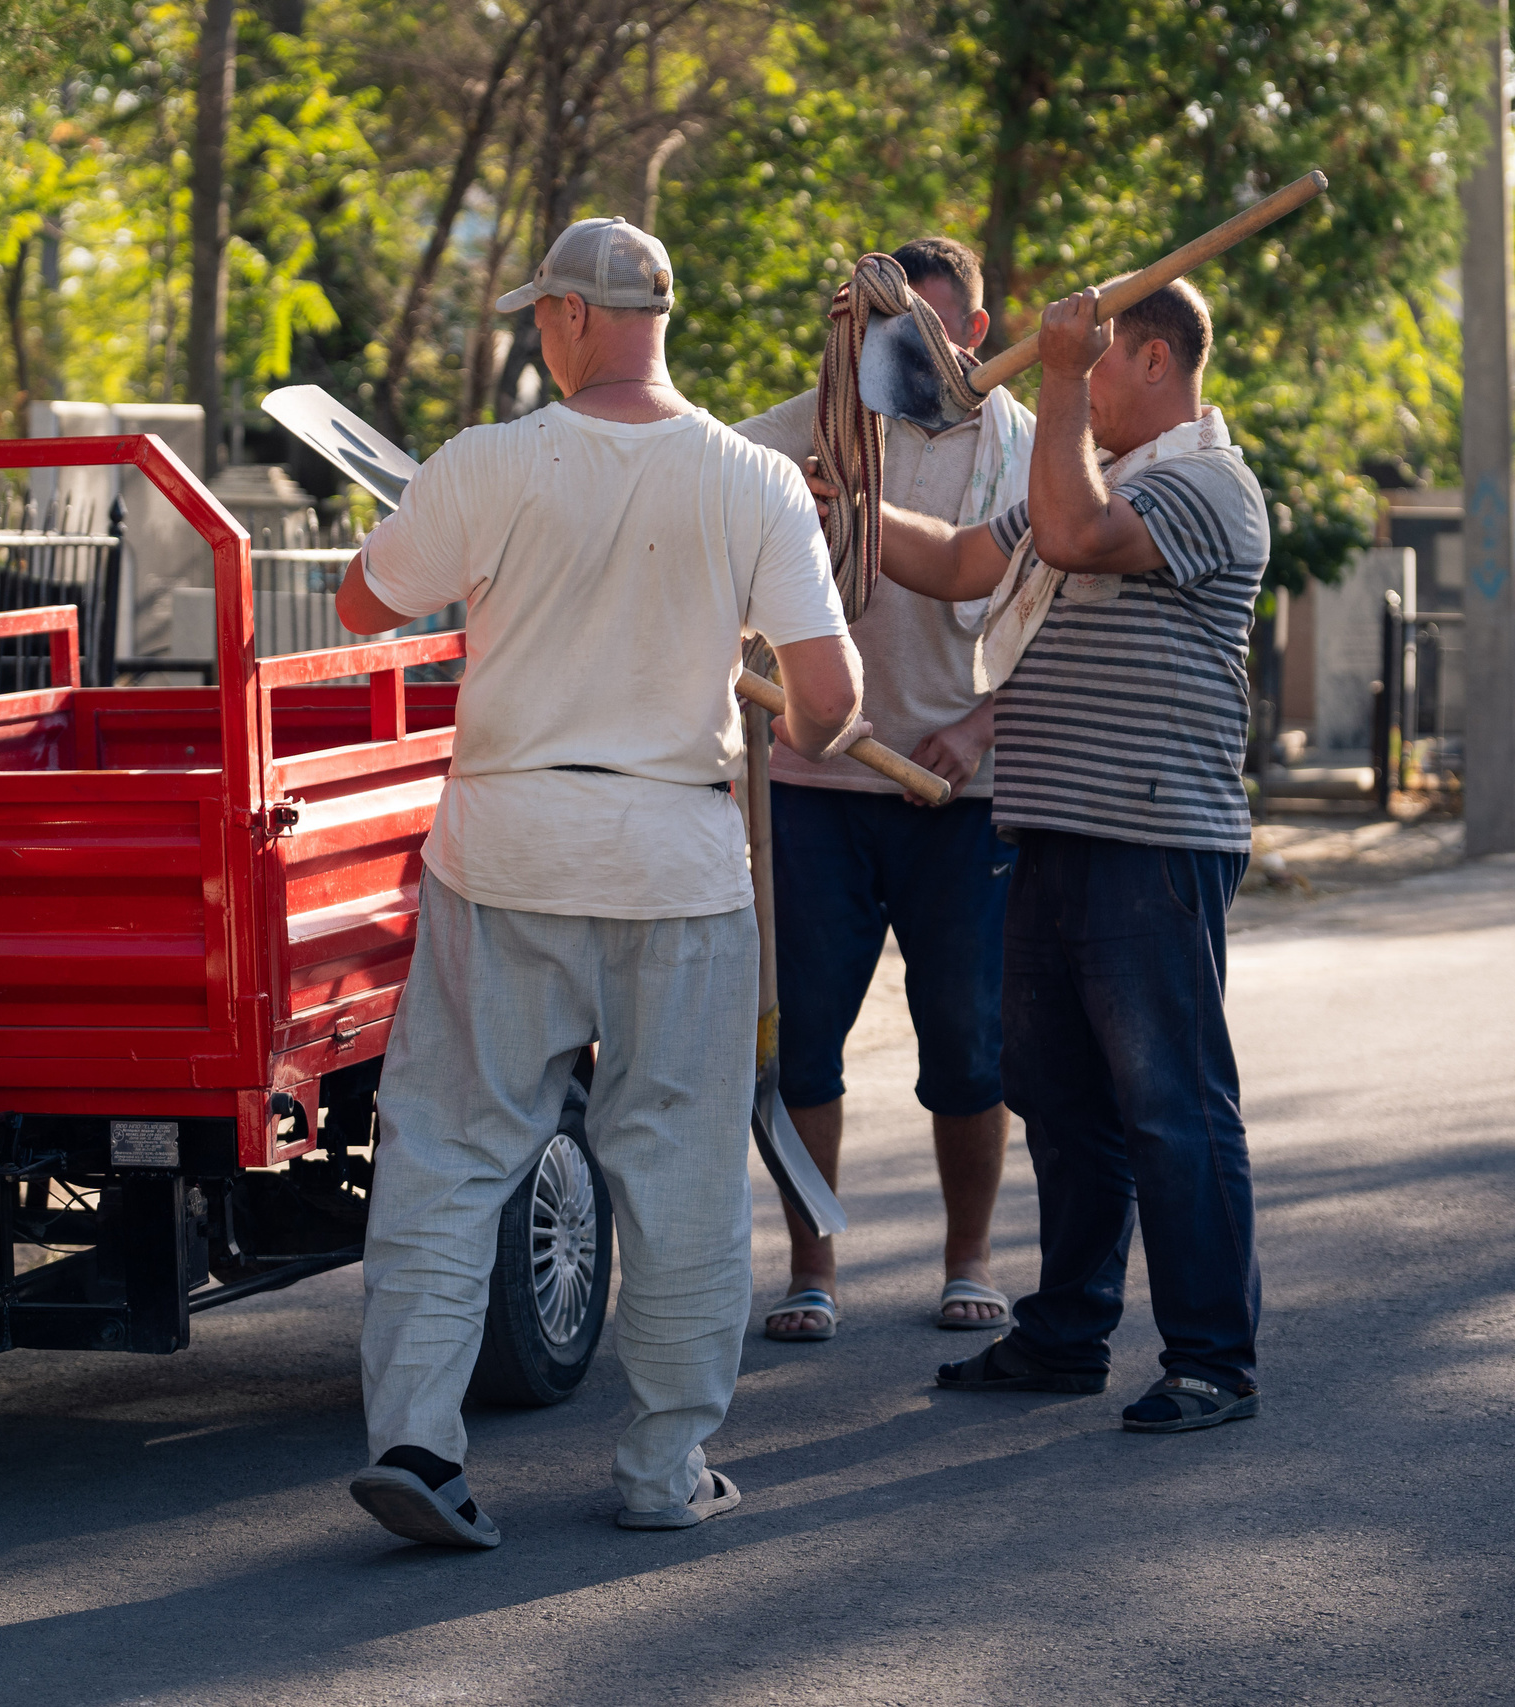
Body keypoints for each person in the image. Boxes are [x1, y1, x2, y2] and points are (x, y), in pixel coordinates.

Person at [336, 216, 866, 1547]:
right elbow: (827, 703)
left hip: (505, 846)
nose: (536, 333)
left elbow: (360, 604)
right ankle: (663, 1468)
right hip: (678, 860)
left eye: (540, 314)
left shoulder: (486, 462)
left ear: (573, 315)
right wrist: (782, 701)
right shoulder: (756, 482)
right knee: (679, 1169)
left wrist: (434, 539)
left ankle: (418, 1446)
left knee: (450, 1148)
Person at [835, 274, 1267, 1433]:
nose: (1065, 369)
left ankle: (1212, 1362)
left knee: (1170, 1105)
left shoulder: (1205, 485)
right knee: (1062, 1103)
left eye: (1094, 355)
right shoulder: (1089, 479)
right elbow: (959, 562)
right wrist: (846, 508)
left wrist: (1058, 379)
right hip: (1051, 829)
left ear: (1155, 361)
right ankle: (1066, 1336)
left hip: (1149, 838)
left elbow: (1074, 537)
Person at [733, 236, 1036, 1342]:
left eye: (925, 336)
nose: (895, 359)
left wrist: (980, 725)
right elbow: (691, 478)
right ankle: (811, 1268)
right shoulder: (808, 429)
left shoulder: (1030, 452)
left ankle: (969, 1259)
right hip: (815, 779)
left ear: (974, 335)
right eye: (878, 335)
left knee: (968, 1041)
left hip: (962, 794)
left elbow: (1052, 613)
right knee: (802, 1039)